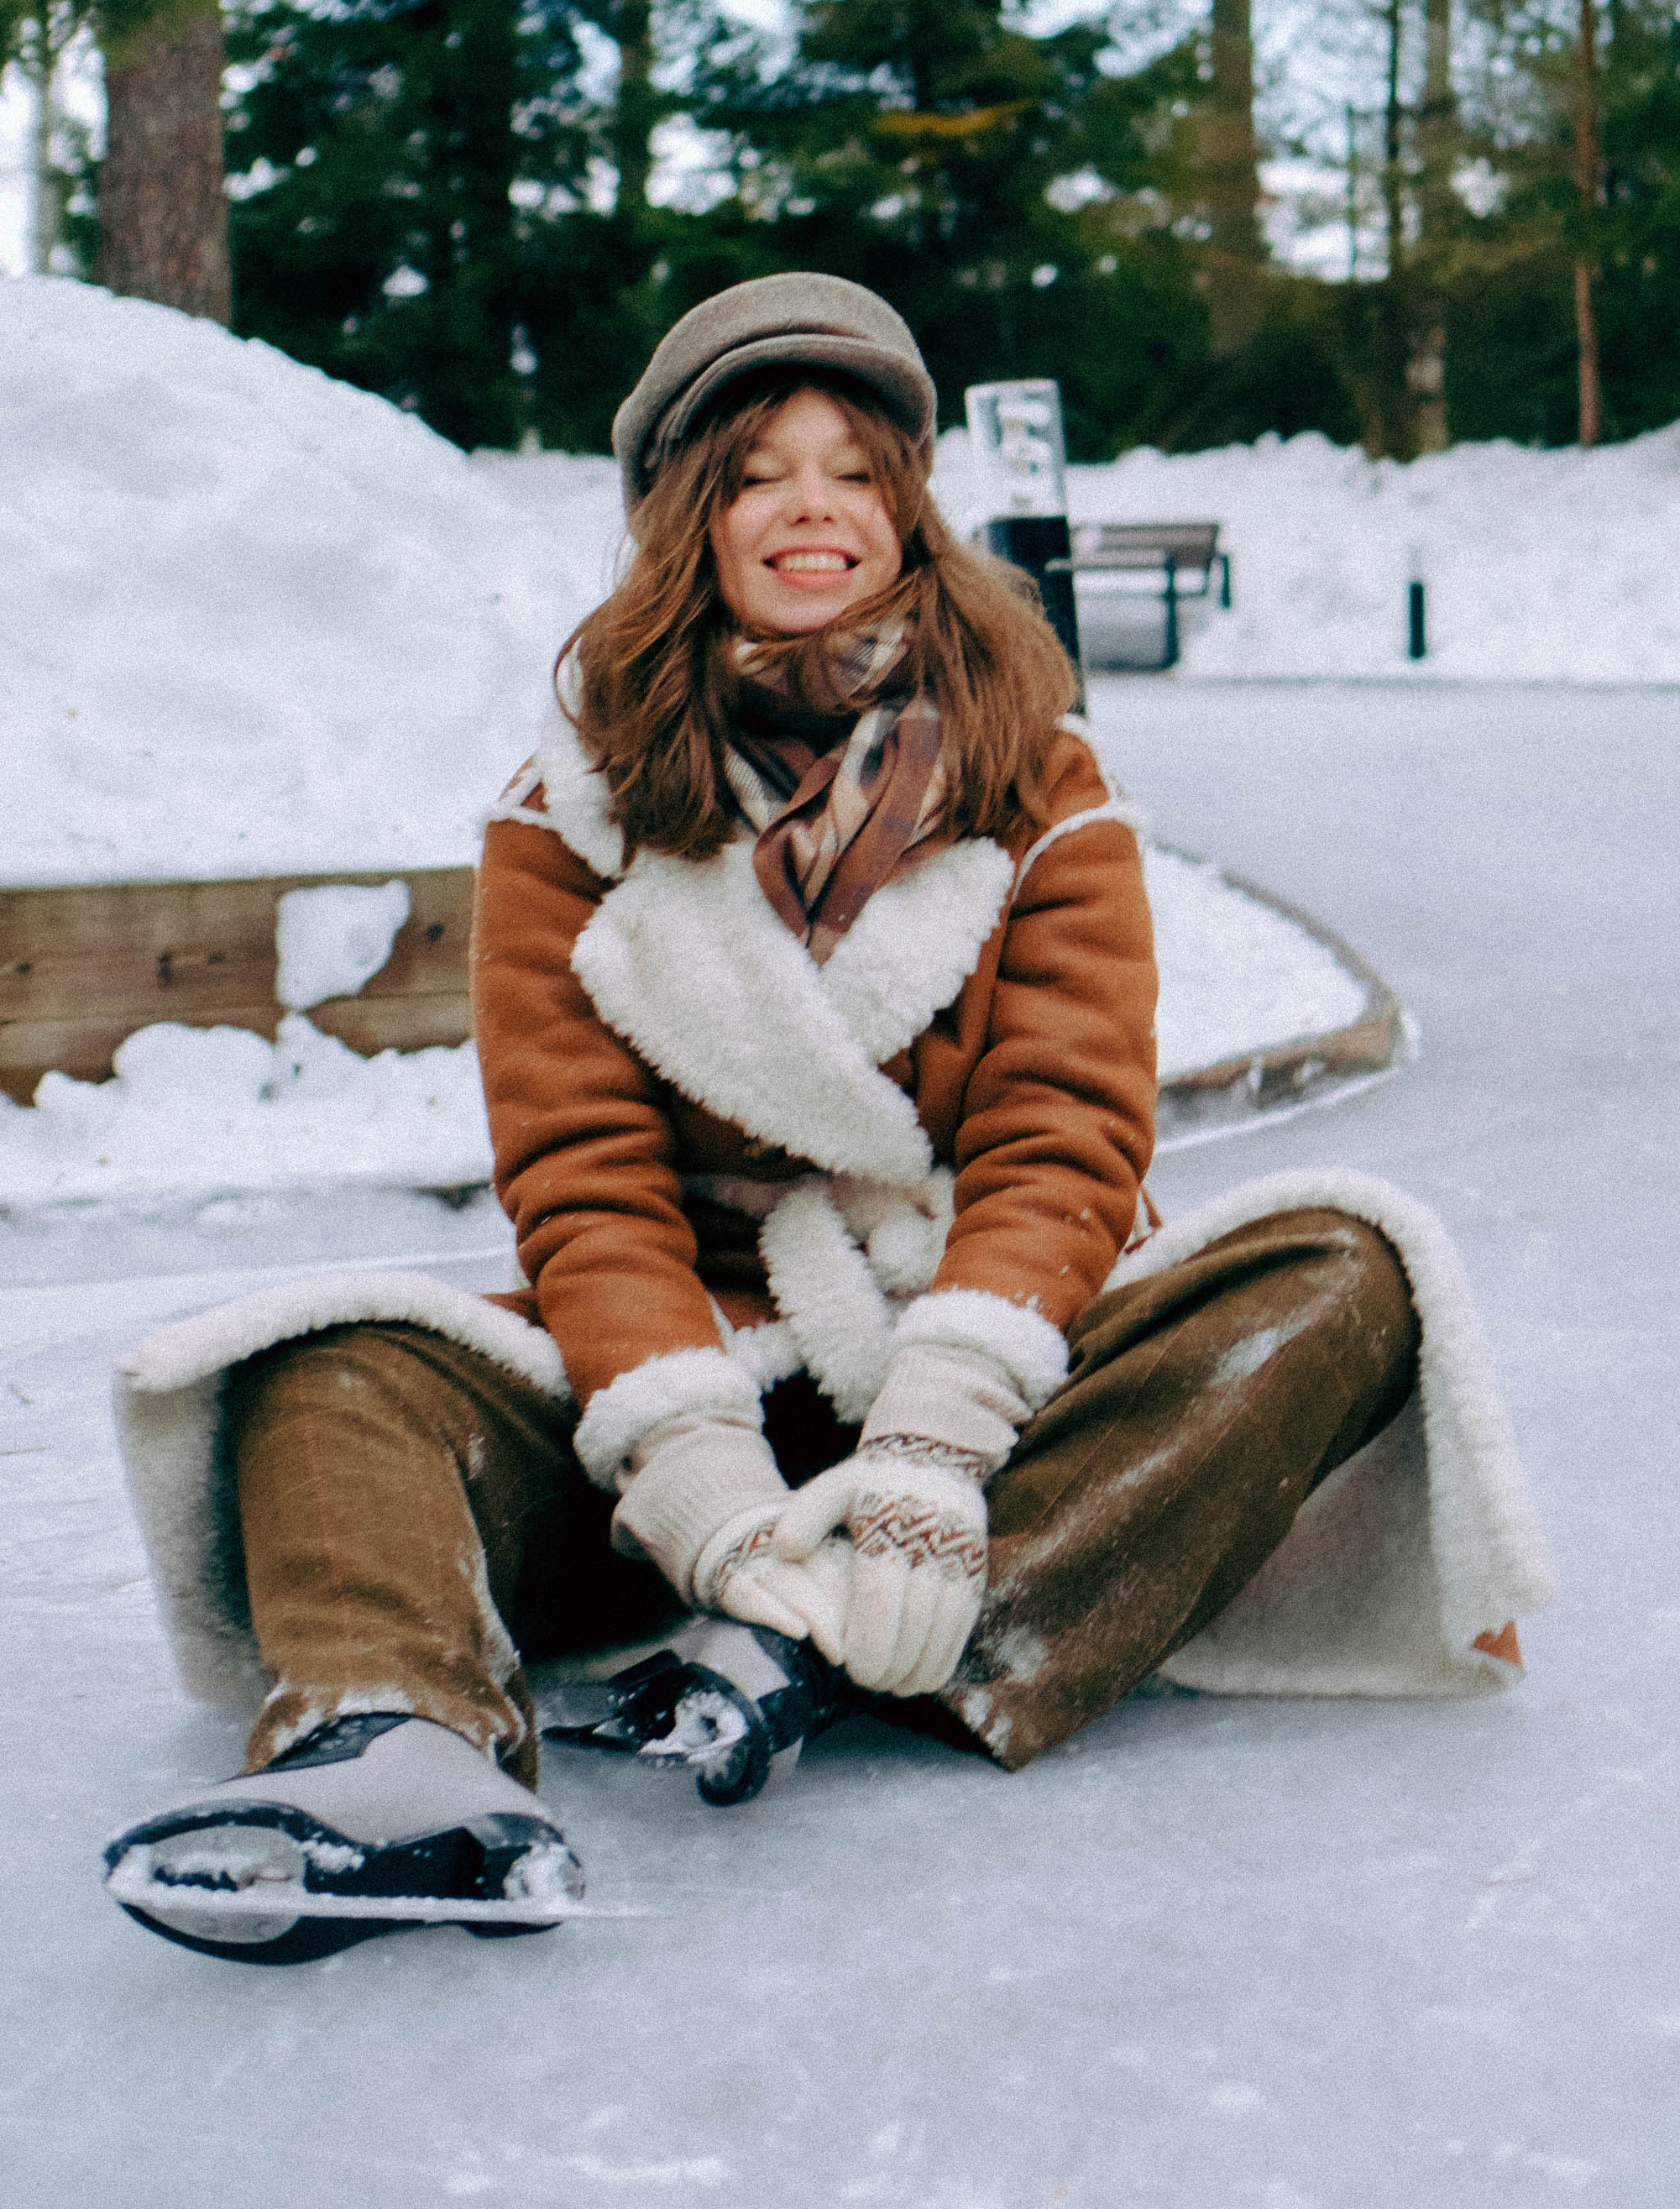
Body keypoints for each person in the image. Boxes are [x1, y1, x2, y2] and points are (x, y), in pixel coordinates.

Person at [103, 276, 1551, 1962]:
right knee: (321, 1369)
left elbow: (1066, 1131)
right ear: (680, 516)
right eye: (754, 472)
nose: (809, 509)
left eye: (853, 469)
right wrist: (696, 1467)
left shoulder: (1041, 777)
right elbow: (581, 1180)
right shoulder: (563, 810)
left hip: (985, 1400)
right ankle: (400, 1751)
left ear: (908, 502)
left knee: (1350, 1267)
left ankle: (825, 1647)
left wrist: (937, 1437)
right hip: (693, 1394)